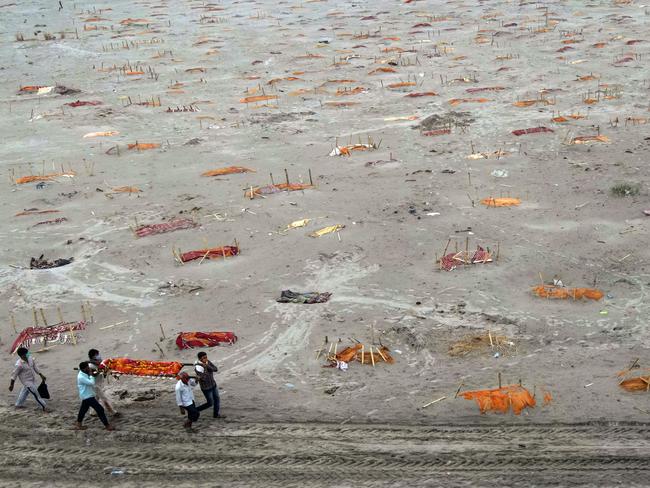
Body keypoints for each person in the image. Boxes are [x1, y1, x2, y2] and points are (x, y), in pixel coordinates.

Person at [76, 361, 114, 431]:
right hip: (87, 396)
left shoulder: (84, 373)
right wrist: (91, 374)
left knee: (83, 410)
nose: (89, 368)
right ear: (84, 369)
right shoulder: (81, 377)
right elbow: (91, 382)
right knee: (100, 409)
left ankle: (79, 425)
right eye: (88, 367)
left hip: (87, 395)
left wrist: (101, 371)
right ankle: (107, 426)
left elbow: (95, 374)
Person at [9, 347, 49, 412]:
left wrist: (41, 375)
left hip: (32, 379)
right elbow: (14, 375)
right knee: (37, 394)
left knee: (24, 392)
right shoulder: (19, 365)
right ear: (22, 355)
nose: (28, 354)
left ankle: (18, 404)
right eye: (27, 353)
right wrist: (11, 385)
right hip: (27, 382)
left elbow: (34, 366)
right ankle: (44, 407)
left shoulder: (30, 358)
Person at [88, 349, 119, 416]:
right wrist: (100, 370)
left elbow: (104, 372)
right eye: (97, 354)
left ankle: (92, 412)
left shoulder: (99, 364)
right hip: (94, 385)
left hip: (98, 385)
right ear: (93, 356)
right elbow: (93, 374)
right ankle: (113, 412)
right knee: (104, 398)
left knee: (96, 398)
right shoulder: (90, 365)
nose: (99, 356)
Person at [194, 351, 225, 419]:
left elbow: (215, 369)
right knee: (210, 403)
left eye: (206, 357)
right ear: (200, 359)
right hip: (206, 388)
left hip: (213, 385)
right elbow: (203, 378)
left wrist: (207, 366)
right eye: (204, 358)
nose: (206, 359)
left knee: (217, 399)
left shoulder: (207, 362)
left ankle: (216, 415)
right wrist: (205, 368)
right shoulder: (198, 367)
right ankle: (195, 410)